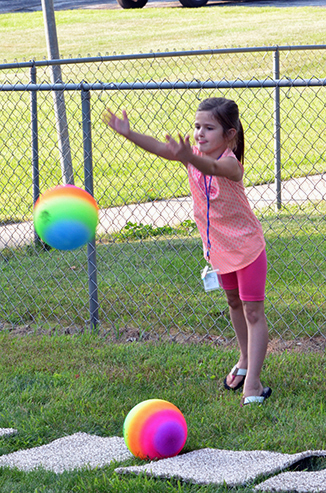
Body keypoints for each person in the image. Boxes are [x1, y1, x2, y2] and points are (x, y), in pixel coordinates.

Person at [102, 97, 271, 406]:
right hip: (218, 249)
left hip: (247, 247)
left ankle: (254, 384)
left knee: (252, 311)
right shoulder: (192, 154)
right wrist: (129, 134)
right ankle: (244, 359)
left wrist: (188, 158)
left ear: (229, 134)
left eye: (209, 128)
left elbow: (213, 167)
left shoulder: (230, 162)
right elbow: (159, 147)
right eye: (196, 127)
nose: (199, 134)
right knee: (233, 302)